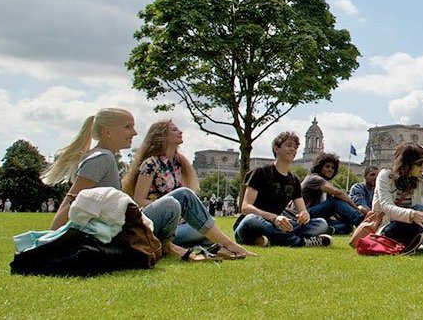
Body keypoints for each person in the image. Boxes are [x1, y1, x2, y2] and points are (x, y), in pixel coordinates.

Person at [42, 108, 253, 261]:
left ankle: (211, 246)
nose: (134, 133)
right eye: (127, 127)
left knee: (199, 227)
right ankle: (228, 246)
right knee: (178, 200)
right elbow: (73, 198)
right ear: (107, 131)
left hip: (125, 227)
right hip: (122, 231)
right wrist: (52, 238)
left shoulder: (104, 157)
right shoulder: (102, 158)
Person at [122, 119, 229, 252]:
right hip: (157, 222)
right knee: (204, 228)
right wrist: (174, 209)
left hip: (177, 224)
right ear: (162, 136)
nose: (180, 132)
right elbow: (139, 200)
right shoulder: (150, 164)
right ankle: (229, 246)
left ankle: (206, 247)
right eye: (174, 130)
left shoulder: (179, 163)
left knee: (207, 230)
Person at [234, 131, 332, 247]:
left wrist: (304, 216)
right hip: (255, 223)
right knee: (251, 219)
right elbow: (245, 207)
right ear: (276, 148)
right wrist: (275, 218)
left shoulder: (294, 180)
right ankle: (298, 241)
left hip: (279, 224)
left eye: (295, 147)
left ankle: (268, 239)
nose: (293, 150)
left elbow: (302, 210)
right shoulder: (260, 172)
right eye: (289, 145)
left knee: (321, 224)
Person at [301, 152, 367, 234]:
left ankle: (327, 230)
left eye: (333, 168)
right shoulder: (314, 178)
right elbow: (338, 193)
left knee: (347, 226)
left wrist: (345, 217)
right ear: (319, 167)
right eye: (327, 166)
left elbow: (333, 210)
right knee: (335, 200)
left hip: (316, 218)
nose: (330, 169)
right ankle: (362, 222)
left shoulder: (325, 187)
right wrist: (357, 210)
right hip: (304, 214)